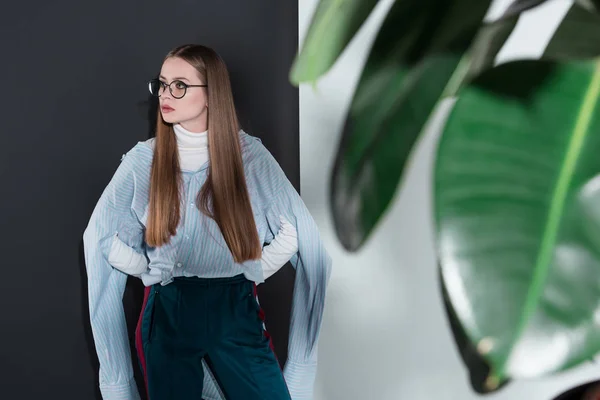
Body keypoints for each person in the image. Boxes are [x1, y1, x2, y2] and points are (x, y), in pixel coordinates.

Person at [82, 44, 332, 400]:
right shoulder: (142, 161)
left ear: (212, 95)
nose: (166, 95)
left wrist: (259, 268)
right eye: (163, 84)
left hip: (236, 307)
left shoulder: (250, 156)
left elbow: (306, 238)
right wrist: (143, 268)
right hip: (169, 311)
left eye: (180, 85)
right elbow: (99, 238)